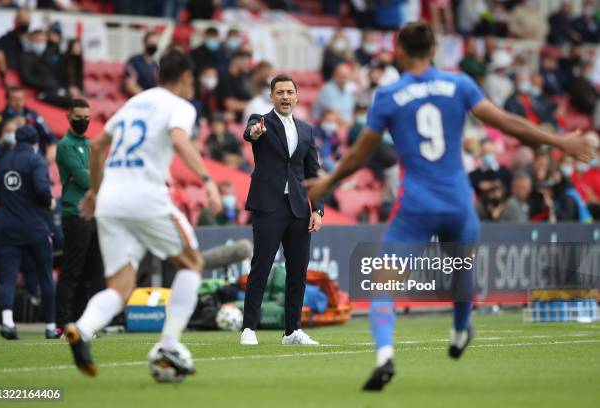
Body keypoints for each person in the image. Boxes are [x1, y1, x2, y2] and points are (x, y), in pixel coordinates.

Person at [305, 22, 594, 391]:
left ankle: (385, 356)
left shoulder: (389, 94)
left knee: (384, 279)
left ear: (399, 51)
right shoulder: (459, 84)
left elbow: (362, 154)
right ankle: (460, 331)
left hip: (416, 204)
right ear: (434, 49)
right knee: (461, 269)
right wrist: (558, 141)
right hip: (458, 201)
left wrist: (328, 181)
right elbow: (508, 123)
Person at [64, 51, 222, 377]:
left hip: (110, 200)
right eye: (192, 81)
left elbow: (96, 148)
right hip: (145, 197)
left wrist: (95, 191)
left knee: (120, 287)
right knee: (192, 264)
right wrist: (207, 180)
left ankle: (82, 327)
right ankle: (169, 344)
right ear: (185, 79)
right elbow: (179, 139)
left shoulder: (134, 103)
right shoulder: (180, 106)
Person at [240, 74, 324, 347]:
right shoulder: (260, 120)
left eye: (290, 92)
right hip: (269, 207)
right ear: (272, 97)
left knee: (298, 273)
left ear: (297, 96)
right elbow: (250, 131)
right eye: (280, 92)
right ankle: (249, 329)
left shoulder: (307, 130)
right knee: (260, 268)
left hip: (300, 210)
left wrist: (318, 211)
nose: (285, 96)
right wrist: (255, 132)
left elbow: (313, 173)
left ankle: (292, 331)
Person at [0, 125, 57, 340]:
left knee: (8, 277)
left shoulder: (2, 162)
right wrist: (49, 201)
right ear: (35, 142)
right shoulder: (36, 160)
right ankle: (50, 325)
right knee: (45, 274)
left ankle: (8, 322)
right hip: (34, 226)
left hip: (8, 227)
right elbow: (41, 190)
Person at [55, 99, 104, 334]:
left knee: (89, 272)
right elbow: (86, 179)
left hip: (93, 214)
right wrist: (91, 177)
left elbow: (94, 175)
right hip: (75, 213)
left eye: (86, 117)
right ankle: (63, 321)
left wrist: (91, 177)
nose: (83, 121)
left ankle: (82, 322)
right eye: (78, 117)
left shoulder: (88, 144)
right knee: (73, 270)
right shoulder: (65, 146)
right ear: (68, 116)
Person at [0, 86, 58, 163]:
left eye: (21, 99)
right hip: (8, 155)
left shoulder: (32, 115)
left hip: (32, 154)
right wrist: (6, 129)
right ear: (7, 100)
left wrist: (53, 145)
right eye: (15, 100)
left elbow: (48, 133)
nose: (18, 103)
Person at [0, 8, 30, 73]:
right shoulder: (6, 39)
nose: (24, 24)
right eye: (21, 21)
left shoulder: (33, 39)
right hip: (15, 74)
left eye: (26, 21)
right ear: (15, 21)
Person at [123, 32, 160, 97]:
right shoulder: (134, 61)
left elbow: (158, 85)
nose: (153, 45)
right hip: (137, 99)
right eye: (151, 43)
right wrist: (145, 96)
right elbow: (131, 86)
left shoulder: (155, 65)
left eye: (155, 43)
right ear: (144, 43)